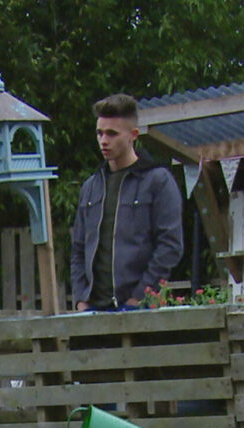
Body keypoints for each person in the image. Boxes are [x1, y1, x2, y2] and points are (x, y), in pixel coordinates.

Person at [69, 93, 184, 311]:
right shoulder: (90, 187)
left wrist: (140, 297)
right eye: (99, 133)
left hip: (139, 309)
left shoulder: (157, 181)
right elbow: (78, 249)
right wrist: (81, 299)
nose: (104, 140)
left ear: (133, 135)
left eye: (112, 133)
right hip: (92, 312)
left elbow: (170, 245)